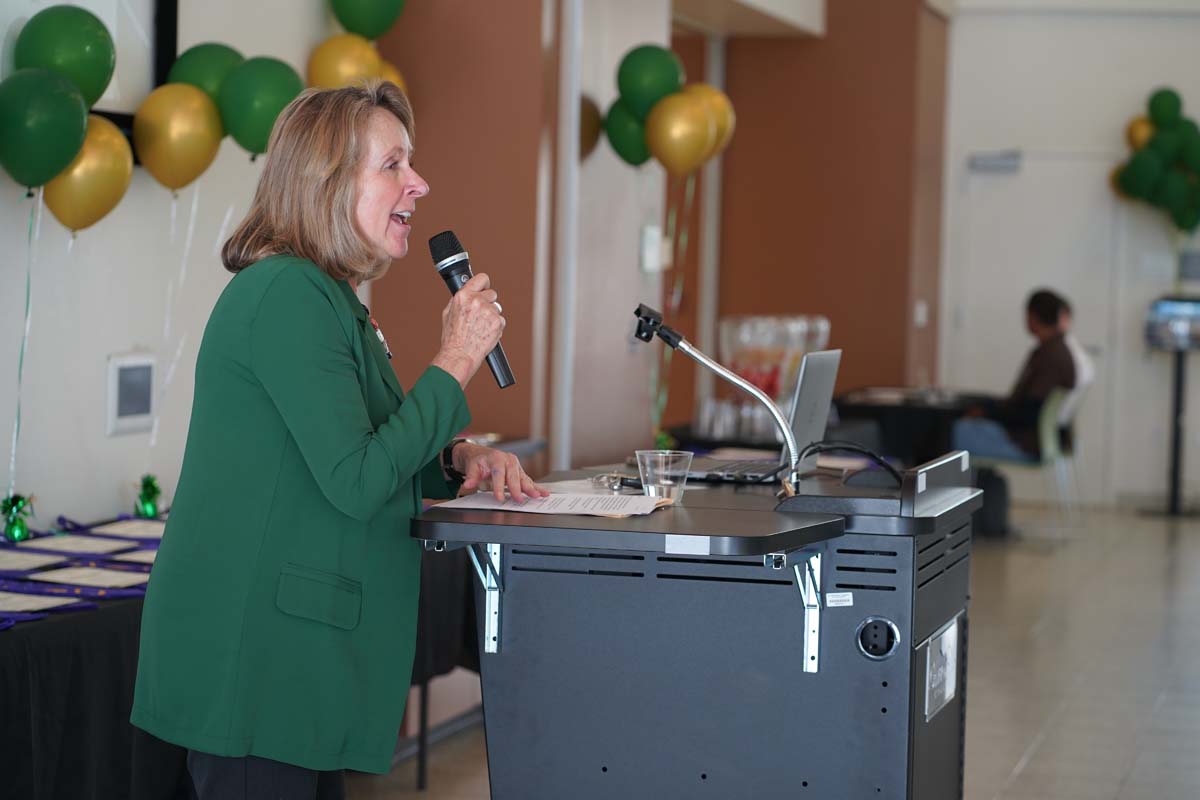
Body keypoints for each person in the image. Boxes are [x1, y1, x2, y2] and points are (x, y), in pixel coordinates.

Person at [131, 81, 547, 799]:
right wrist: (454, 359)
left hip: (301, 662)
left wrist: (457, 457)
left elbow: (360, 443)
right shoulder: (285, 294)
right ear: (325, 180)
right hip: (258, 660)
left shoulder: (329, 298)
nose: (418, 183)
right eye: (393, 164)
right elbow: (356, 478)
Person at [952, 290, 1076, 461]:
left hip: (1024, 441)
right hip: (1038, 439)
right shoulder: (1058, 350)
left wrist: (987, 412)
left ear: (1032, 316)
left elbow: (1028, 412)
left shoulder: (1049, 356)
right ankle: (986, 483)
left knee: (952, 431)